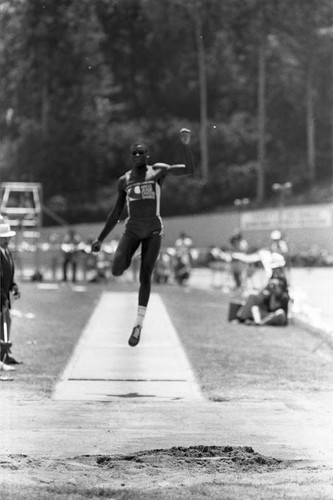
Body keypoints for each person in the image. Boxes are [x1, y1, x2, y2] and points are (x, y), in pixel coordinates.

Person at [91, 128, 194, 346]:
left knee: (145, 275)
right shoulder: (124, 180)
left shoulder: (157, 171)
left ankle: (138, 324)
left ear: (147, 155)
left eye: (141, 153)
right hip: (133, 230)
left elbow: (189, 169)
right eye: (134, 153)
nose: (137, 156)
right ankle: (132, 253)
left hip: (153, 231)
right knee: (116, 269)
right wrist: (100, 239)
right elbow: (116, 213)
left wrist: (186, 145)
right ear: (131, 157)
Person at [0, 221, 21, 368]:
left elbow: (9, 274)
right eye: (3, 238)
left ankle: (4, 355)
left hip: (4, 295)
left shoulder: (7, 252)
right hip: (0, 296)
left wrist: (13, 286)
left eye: (8, 237)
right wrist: (2, 297)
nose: (7, 240)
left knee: (6, 322)